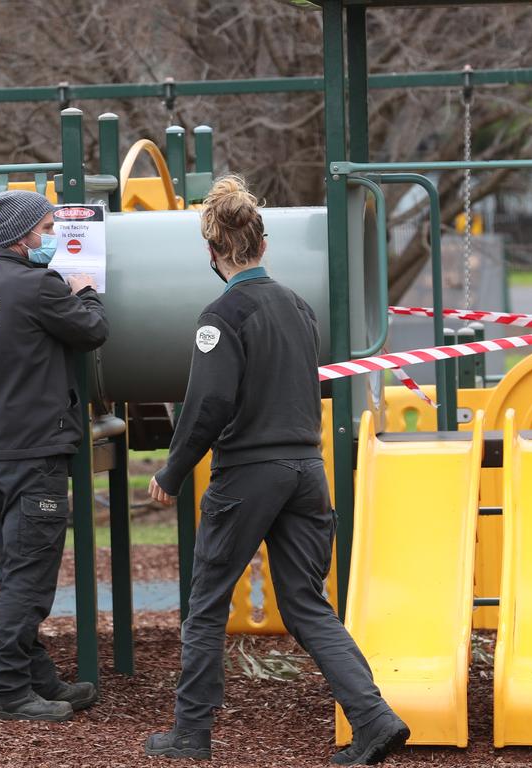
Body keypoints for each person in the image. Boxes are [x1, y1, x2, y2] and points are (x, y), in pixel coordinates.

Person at [143, 177, 409, 765]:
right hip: (306, 470)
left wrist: (174, 469)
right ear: (263, 245)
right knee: (306, 602)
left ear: (212, 254)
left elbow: (208, 405)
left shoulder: (222, 315)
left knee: (208, 600)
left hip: (249, 474)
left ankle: (190, 732)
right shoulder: (299, 308)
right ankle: (373, 718)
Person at [0, 190, 108, 723]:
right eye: (46, 229)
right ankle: (3, 692)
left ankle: (36, 678)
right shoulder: (39, 286)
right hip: (35, 454)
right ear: (23, 237)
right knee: (29, 579)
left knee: (16, 572)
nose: (51, 238)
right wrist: (87, 292)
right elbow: (92, 332)